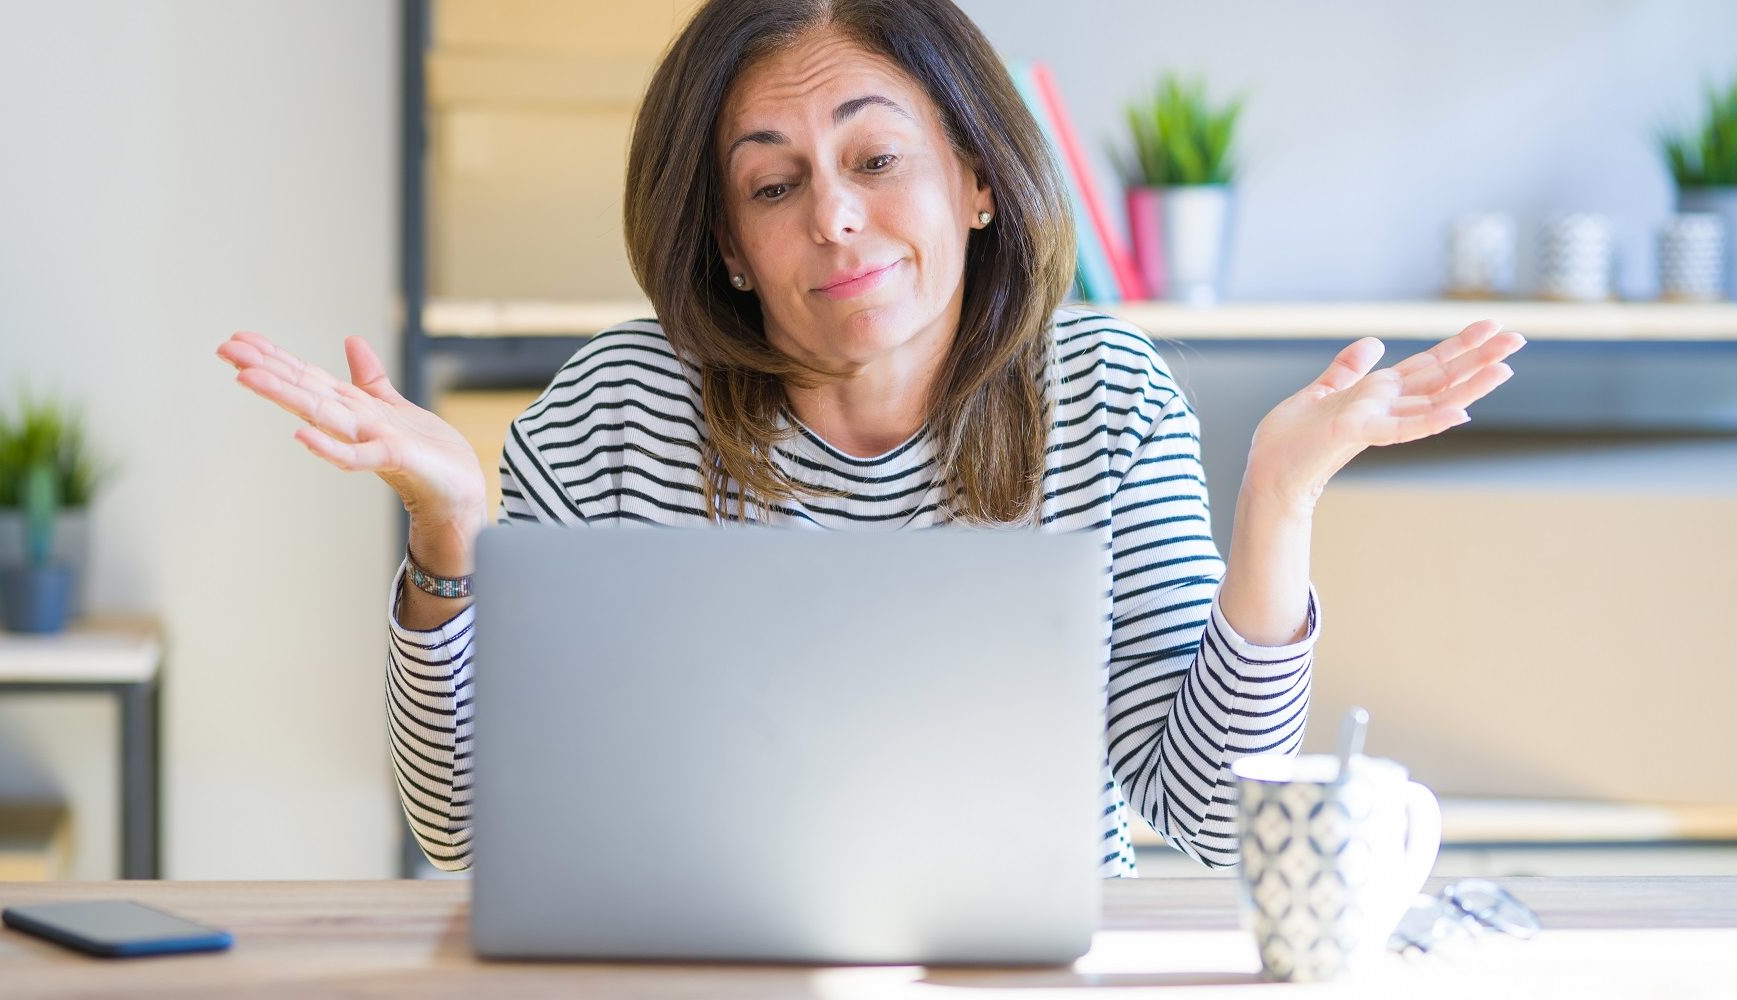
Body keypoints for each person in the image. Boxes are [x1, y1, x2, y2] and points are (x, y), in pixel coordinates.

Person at [217, 0, 1522, 877]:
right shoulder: (609, 411)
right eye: (774, 183)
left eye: (877, 160)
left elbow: (1204, 815)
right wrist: (448, 535)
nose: (834, 218)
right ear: (730, 245)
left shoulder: (1107, 397)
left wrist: (1279, 502)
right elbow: (463, 832)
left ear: (976, 180)